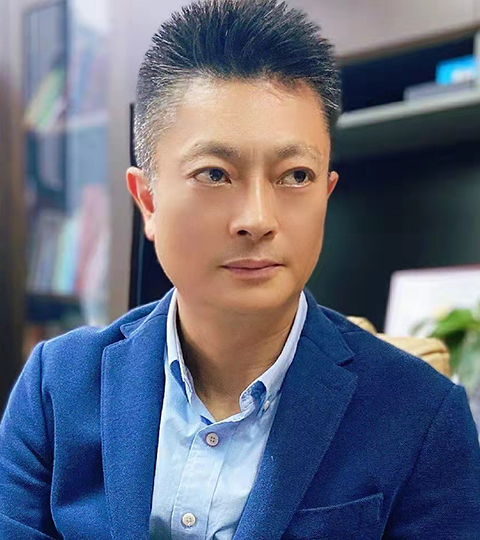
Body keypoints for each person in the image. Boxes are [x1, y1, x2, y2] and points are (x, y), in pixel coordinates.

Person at [1, 0, 479, 538]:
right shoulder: (57, 386)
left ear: (326, 195)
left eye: (295, 176)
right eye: (215, 173)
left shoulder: (422, 416)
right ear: (148, 202)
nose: (257, 219)